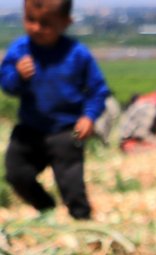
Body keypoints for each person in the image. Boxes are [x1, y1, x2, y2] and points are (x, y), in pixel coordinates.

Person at [1, 0, 110, 220]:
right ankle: (45, 207)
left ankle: (83, 224)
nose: (36, 28)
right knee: (16, 174)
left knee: (72, 185)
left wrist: (89, 117)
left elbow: (97, 90)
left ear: (65, 23)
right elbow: (7, 85)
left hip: (66, 131)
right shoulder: (20, 51)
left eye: (45, 23)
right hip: (30, 129)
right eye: (30, 20)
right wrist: (18, 77)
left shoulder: (77, 54)